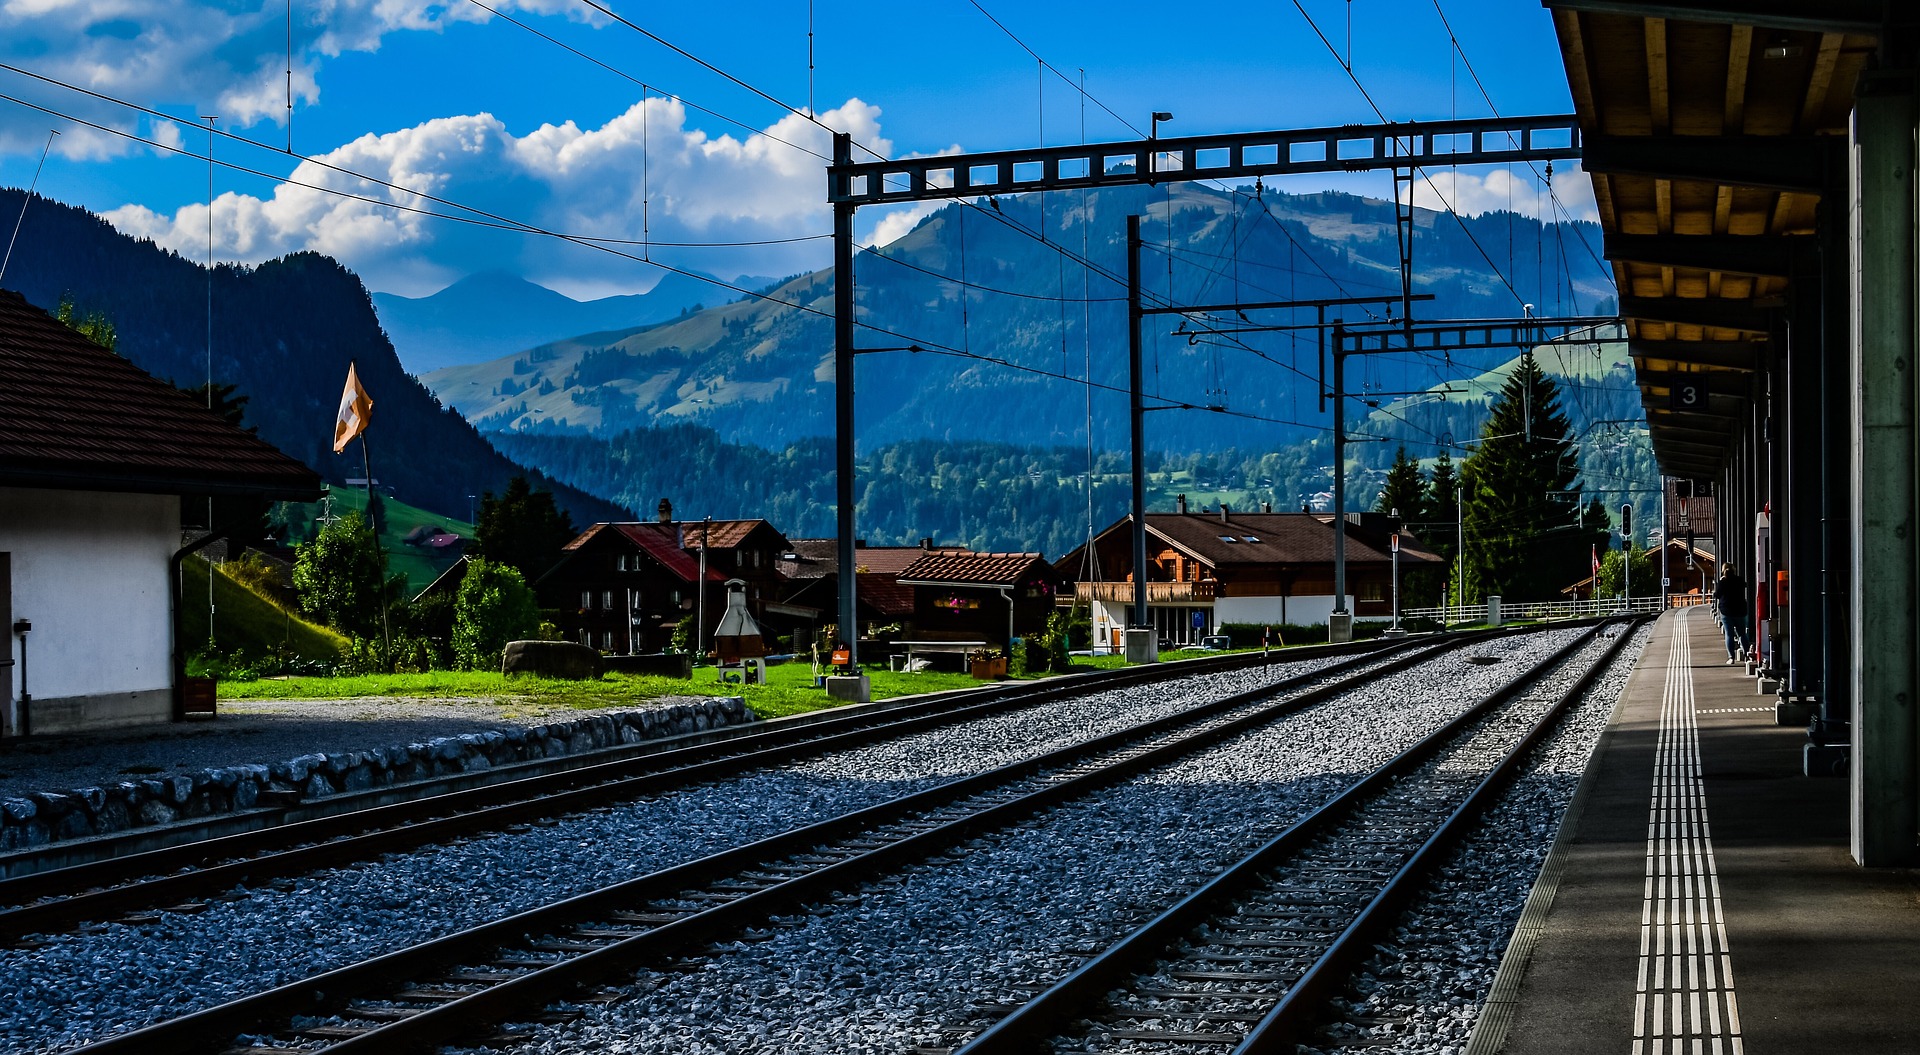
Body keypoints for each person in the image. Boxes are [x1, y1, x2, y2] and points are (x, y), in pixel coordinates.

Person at [1713, 565, 1748, 663]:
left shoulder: (1722, 582)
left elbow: (1717, 595)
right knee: (1742, 633)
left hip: (1726, 611)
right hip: (1740, 610)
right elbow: (1744, 586)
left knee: (1729, 634)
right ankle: (1747, 654)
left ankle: (1731, 657)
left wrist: (1719, 583)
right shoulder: (1740, 580)